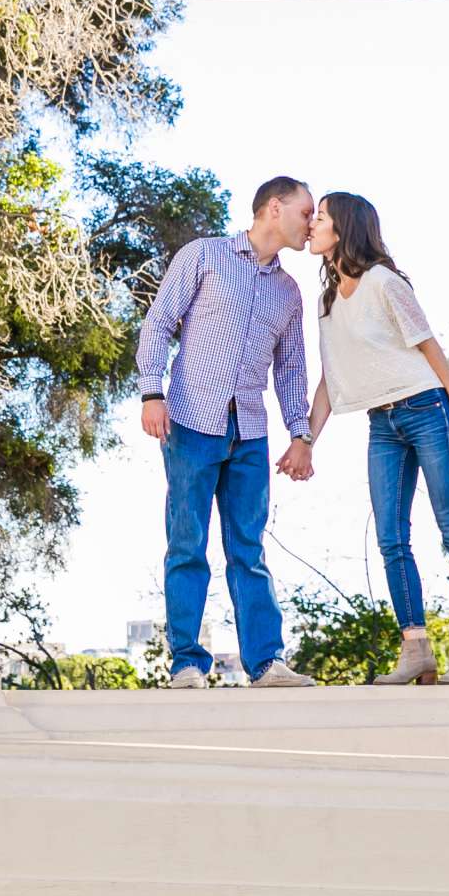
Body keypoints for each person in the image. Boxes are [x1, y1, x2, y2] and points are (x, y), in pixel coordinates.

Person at [135, 176, 321, 690]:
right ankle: (188, 664)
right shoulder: (204, 255)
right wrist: (153, 392)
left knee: (248, 547)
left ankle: (266, 663)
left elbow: (291, 370)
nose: (312, 224)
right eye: (306, 212)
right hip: (191, 421)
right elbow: (159, 323)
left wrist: (300, 433)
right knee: (187, 543)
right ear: (275, 208)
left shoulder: (288, 291)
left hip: (251, 433)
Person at [302, 191, 449, 686]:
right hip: (381, 424)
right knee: (391, 537)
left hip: (427, 409)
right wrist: (306, 439)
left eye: (319, 217)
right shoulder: (325, 302)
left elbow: (429, 345)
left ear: (343, 227)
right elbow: (329, 377)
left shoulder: (385, 282)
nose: (312, 224)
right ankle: (416, 652)